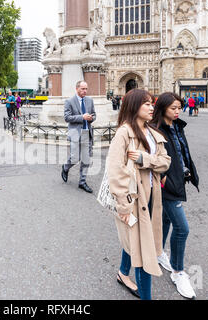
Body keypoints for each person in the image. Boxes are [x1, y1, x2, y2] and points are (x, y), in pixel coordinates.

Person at [107, 88, 171, 300]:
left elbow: (165, 162)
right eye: (147, 104)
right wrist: (123, 207)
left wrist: (145, 159)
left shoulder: (153, 133)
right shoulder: (124, 133)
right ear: (135, 106)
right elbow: (115, 172)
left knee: (135, 239)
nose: (152, 107)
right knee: (144, 251)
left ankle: (123, 273)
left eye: (152, 104)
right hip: (133, 200)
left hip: (152, 197)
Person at [151, 92, 200, 300]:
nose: (178, 111)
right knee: (182, 228)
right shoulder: (155, 130)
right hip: (167, 185)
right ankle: (178, 272)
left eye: (179, 107)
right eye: (173, 108)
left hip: (178, 180)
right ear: (162, 108)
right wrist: (165, 180)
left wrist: (189, 171)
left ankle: (158, 252)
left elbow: (182, 152)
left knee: (165, 219)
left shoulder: (177, 125)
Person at [61, 81, 96, 194]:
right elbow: (67, 118)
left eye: (86, 89)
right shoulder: (69, 101)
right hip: (75, 133)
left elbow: (94, 114)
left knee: (86, 159)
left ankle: (82, 182)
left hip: (87, 133)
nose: (85, 91)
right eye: (82, 89)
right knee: (74, 158)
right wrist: (82, 117)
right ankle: (65, 168)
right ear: (77, 89)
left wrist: (91, 118)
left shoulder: (90, 100)